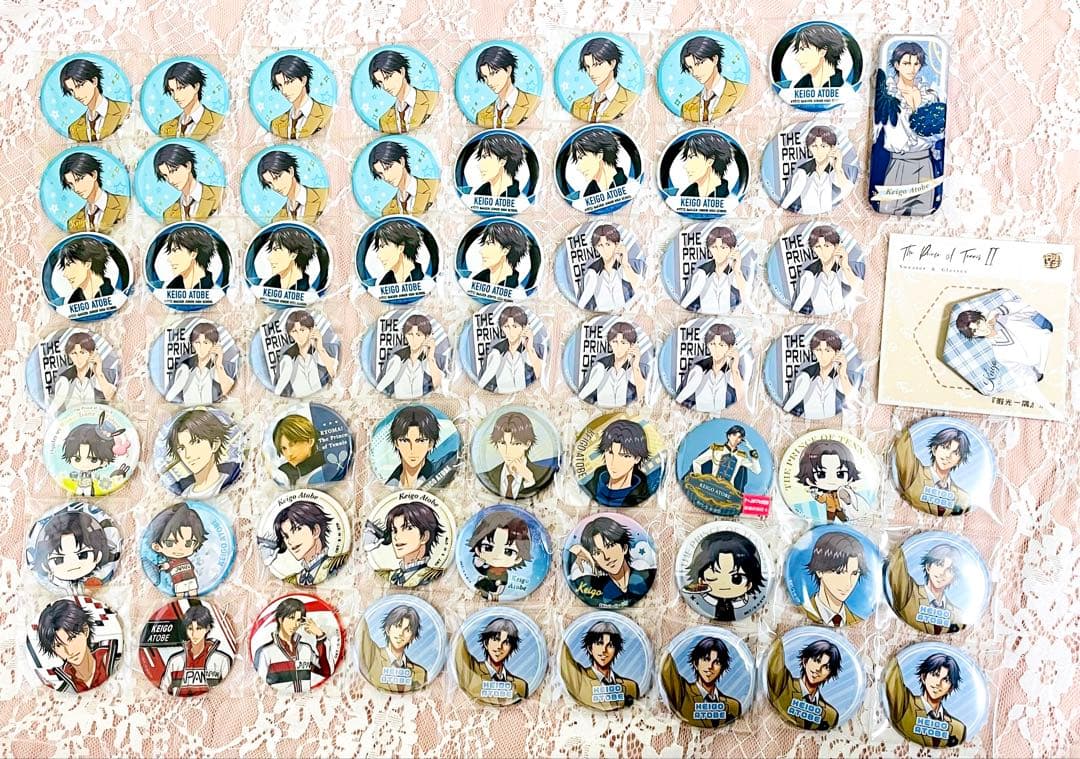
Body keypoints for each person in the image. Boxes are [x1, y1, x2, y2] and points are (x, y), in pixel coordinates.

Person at [872, 42, 945, 215]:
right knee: (888, 208)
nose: (912, 69)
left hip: (925, 162)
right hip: (899, 162)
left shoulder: (930, 95)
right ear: (897, 65)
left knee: (924, 205)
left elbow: (938, 129)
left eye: (916, 63)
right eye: (906, 63)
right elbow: (877, 131)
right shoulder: (888, 95)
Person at [955, 301, 1053, 387]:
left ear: (982, 318)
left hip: (1054, 341)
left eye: (978, 323)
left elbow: (1031, 307)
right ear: (974, 336)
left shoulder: (1006, 317)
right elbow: (1027, 374)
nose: (982, 329)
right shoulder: (1000, 354)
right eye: (975, 330)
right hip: (1049, 366)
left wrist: (996, 312)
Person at [566, 516, 655, 607]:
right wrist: (576, 549)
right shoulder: (595, 584)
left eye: (610, 546)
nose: (606, 557)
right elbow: (572, 580)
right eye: (597, 553)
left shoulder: (647, 576)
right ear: (594, 559)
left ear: (624, 548)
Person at [884, 653, 967, 747]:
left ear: (950, 688)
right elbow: (892, 673)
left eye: (946, 680)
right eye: (935, 675)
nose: (938, 683)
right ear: (923, 677)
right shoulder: (905, 706)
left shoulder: (958, 729)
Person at [36, 598, 119, 692]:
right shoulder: (58, 681)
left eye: (72, 638)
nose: (69, 651)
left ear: (85, 630)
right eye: (59, 645)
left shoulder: (111, 658)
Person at [682, 530, 766, 622]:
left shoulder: (741, 602)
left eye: (736, 578)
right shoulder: (705, 600)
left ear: (749, 584)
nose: (724, 584)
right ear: (701, 581)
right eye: (713, 578)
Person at [252, 597, 333, 692]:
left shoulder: (306, 649)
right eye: (291, 618)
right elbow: (260, 687)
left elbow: (326, 672)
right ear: (280, 619)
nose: (295, 624)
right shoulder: (266, 652)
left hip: (307, 699)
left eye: (298, 620)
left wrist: (319, 634)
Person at [660, 637, 742, 727]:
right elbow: (666, 665)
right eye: (706, 659)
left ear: (722, 669)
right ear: (695, 663)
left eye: (716, 662)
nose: (710, 666)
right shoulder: (682, 693)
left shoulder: (734, 706)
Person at [365, 499, 447, 587]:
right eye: (394, 530)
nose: (396, 537)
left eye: (408, 528)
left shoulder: (432, 575)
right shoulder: (386, 575)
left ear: (424, 536)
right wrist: (366, 548)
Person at [264, 499, 348, 585]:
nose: (290, 541)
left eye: (297, 530)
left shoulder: (338, 564)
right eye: (286, 536)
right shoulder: (292, 580)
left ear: (315, 531)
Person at [893, 425, 971, 516]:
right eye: (945, 447)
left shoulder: (963, 498)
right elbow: (903, 443)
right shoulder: (915, 473)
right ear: (934, 449)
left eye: (955, 453)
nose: (948, 456)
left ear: (959, 461)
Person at [560, 621, 639, 710]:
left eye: (610, 645)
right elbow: (562, 654)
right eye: (599, 643)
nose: (604, 650)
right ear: (590, 648)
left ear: (616, 651)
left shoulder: (631, 686)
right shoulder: (580, 679)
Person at [887, 543, 965, 634]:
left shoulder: (958, 615)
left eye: (949, 570)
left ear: (953, 578)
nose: (942, 573)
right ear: (928, 567)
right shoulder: (909, 594)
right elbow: (897, 562)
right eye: (940, 564)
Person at [164, 408, 240, 499]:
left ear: (215, 444)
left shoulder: (234, 484)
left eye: (195, 442)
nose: (188, 455)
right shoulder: (183, 494)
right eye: (181, 448)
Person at [766, 639, 842, 730]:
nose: (818, 669)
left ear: (829, 676)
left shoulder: (831, 716)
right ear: (805, 661)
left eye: (826, 667)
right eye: (816, 660)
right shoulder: (784, 685)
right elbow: (775, 656)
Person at [31, 508, 116, 589]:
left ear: (99, 555)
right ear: (45, 565)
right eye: (58, 560)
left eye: (82, 555)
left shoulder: (102, 574)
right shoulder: (54, 584)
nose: (71, 562)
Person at [779, 126, 856, 214]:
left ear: (832, 147)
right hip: (805, 217)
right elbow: (790, 198)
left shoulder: (835, 171)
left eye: (823, 146)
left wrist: (838, 168)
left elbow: (848, 191)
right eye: (814, 146)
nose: (819, 150)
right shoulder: (803, 172)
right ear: (809, 148)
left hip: (831, 217)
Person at [686, 425, 761, 514]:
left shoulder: (741, 456)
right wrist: (700, 479)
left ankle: (760, 507)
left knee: (757, 507)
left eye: (739, 437)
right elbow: (697, 462)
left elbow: (757, 470)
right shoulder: (716, 449)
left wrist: (751, 448)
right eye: (734, 435)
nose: (736, 439)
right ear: (728, 436)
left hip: (728, 494)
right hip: (711, 488)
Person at [782, 329, 856, 419]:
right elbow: (787, 408)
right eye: (818, 350)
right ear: (813, 351)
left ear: (837, 352)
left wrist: (842, 373)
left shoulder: (839, 376)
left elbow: (853, 399)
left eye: (828, 350)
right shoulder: (806, 376)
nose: (823, 355)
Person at [159, 604, 232, 696]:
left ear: (207, 628)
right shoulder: (175, 661)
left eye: (198, 628)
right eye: (190, 629)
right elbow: (162, 692)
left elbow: (227, 693)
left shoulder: (222, 660)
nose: (194, 634)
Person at [790, 226, 863, 315]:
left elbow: (860, 290)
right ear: (813, 249)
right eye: (818, 247)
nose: (823, 251)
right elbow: (795, 308)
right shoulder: (809, 275)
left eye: (826, 245)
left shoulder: (844, 269)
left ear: (836, 246)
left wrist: (845, 266)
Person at [479, 411, 552, 499]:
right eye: (502, 443)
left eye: (515, 444)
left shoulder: (542, 474)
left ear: (527, 444)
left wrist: (530, 481)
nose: (508, 451)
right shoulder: (487, 476)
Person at [582, 419, 653, 507]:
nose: (614, 462)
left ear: (637, 458)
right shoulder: (588, 488)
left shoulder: (642, 498)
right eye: (610, 452)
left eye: (624, 455)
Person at [456, 618, 529, 703]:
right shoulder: (472, 670)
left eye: (506, 642)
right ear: (486, 643)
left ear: (511, 649)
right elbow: (459, 649)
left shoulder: (521, 686)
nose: (499, 646)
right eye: (496, 639)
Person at [802, 531, 867, 626]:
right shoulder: (798, 613)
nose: (848, 584)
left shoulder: (858, 622)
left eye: (854, 573)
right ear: (819, 571)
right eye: (839, 572)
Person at [675, 322, 744, 412]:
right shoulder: (699, 370)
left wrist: (734, 369)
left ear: (730, 347)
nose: (716, 349)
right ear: (708, 345)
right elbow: (679, 400)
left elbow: (742, 401)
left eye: (721, 345)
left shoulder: (731, 373)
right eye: (712, 344)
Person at [794, 439, 868, 522]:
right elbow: (821, 500)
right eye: (821, 474)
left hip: (839, 509)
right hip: (830, 510)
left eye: (840, 474)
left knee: (842, 517)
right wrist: (814, 494)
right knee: (830, 519)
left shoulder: (840, 492)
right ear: (808, 479)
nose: (832, 479)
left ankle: (844, 520)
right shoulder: (826, 495)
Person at [358, 604, 427, 692]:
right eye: (398, 626)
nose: (401, 633)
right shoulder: (373, 655)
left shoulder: (420, 673)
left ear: (412, 637)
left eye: (407, 630)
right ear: (388, 629)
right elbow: (361, 627)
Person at [476, 306, 544, 393]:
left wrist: (530, 349)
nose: (511, 331)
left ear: (524, 327)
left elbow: (542, 377)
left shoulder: (534, 349)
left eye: (515, 326)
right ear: (502, 328)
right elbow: (482, 384)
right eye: (507, 326)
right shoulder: (496, 353)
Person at [577, 322, 647, 407]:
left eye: (623, 342)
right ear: (610, 343)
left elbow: (644, 400)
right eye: (615, 341)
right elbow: (582, 398)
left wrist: (635, 367)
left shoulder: (641, 369)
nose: (618, 347)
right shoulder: (599, 367)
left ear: (632, 345)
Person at [47, 332, 117, 415]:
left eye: (82, 352)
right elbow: (52, 409)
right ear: (69, 355)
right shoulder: (64, 380)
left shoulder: (97, 376)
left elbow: (112, 398)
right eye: (74, 353)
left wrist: (99, 374)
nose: (78, 357)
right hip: (72, 421)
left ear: (91, 353)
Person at [679, 226, 747, 313]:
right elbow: (686, 302)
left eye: (723, 247)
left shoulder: (733, 273)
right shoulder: (702, 273)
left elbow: (746, 297)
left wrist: (737, 271)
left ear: (732, 249)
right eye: (714, 247)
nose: (718, 252)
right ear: (709, 249)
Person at [467, 511, 532, 600]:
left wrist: (498, 592)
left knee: (494, 587)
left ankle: (490, 593)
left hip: (496, 587)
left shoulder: (503, 574)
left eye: (508, 551)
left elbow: (502, 582)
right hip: (487, 584)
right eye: (488, 547)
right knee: (483, 583)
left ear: (518, 558)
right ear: (477, 550)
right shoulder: (487, 568)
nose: (497, 555)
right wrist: (478, 564)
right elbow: (483, 571)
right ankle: (485, 592)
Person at [678, 36, 746, 122]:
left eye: (698, 63)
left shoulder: (740, 90)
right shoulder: (687, 108)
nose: (694, 73)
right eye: (690, 68)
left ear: (714, 59)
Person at [146, 502, 207, 597]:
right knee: (180, 594)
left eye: (188, 543)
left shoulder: (186, 561)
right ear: (157, 547)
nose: (180, 549)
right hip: (179, 582)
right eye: (170, 543)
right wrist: (158, 568)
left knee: (193, 591)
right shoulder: (171, 563)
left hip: (191, 580)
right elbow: (165, 566)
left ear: (195, 545)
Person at [59, 58, 129, 141]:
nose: (76, 95)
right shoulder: (73, 129)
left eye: (79, 86)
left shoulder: (125, 109)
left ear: (94, 81)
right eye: (71, 90)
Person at [165, 322, 235, 404]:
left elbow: (229, 391)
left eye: (206, 343)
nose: (201, 347)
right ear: (192, 344)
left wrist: (218, 365)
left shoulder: (224, 367)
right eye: (197, 342)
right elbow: (169, 397)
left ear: (214, 344)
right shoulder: (184, 367)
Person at [376, 314, 444, 399]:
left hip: (422, 404)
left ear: (427, 336)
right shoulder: (398, 358)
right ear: (405, 335)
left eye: (418, 335)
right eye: (410, 334)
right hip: (398, 404)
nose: (414, 339)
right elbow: (382, 386)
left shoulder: (428, 360)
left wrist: (430, 357)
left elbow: (439, 387)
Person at [576, 224, 641, 311]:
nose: (604, 249)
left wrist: (625, 264)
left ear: (617, 244)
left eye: (608, 244)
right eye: (600, 245)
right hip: (602, 314)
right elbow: (581, 303)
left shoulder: (621, 267)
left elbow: (639, 286)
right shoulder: (593, 272)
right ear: (595, 248)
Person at [369, 49, 437, 133]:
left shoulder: (432, 98)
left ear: (402, 71)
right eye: (380, 82)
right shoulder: (384, 120)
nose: (385, 86)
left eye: (387, 77)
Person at [571, 37, 637, 122]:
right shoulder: (577, 105)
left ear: (612, 63)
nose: (591, 73)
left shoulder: (631, 99)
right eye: (587, 67)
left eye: (597, 65)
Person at [59, 152, 128, 233]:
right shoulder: (72, 222)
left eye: (79, 179)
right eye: (71, 184)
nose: (76, 188)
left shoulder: (124, 203)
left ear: (94, 175)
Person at [274, 310, 338, 397]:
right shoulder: (288, 359)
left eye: (302, 330)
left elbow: (334, 373)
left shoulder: (317, 353)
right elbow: (278, 390)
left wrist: (320, 348)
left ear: (311, 329)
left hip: (322, 398)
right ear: (290, 334)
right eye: (294, 331)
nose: (299, 335)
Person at [61, 411, 125, 497]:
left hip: (89, 486)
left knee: (88, 490)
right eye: (77, 459)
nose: (84, 464)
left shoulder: (95, 477)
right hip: (79, 485)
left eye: (93, 459)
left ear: (104, 461)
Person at [154, 143, 223, 222]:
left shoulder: (220, 194)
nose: (170, 180)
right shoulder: (168, 214)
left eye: (173, 171)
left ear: (188, 166)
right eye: (165, 175)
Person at [474, 46, 539, 128]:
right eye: (485, 77)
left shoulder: (533, 102)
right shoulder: (481, 115)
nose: (489, 82)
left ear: (508, 70)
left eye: (493, 73)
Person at [268, 54, 331, 139]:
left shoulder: (327, 113)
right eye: (280, 85)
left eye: (288, 82)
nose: (284, 91)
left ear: (303, 80)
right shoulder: (275, 124)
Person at [157, 60, 224, 139]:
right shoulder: (165, 128)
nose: (176, 96)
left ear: (196, 86)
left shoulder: (219, 121)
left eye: (181, 88)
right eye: (172, 90)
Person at [369, 141, 438, 216]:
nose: (385, 177)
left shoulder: (433, 186)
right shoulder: (387, 212)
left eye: (387, 168)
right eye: (380, 174)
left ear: (401, 161)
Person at [258, 150, 327, 224]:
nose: (275, 187)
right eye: (270, 183)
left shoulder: (323, 195)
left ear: (291, 171)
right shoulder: (276, 220)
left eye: (277, 177)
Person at [385, 405, 446, 489]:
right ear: (396, 443)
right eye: (405, 441)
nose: (412, 449)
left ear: (430, 444)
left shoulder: (439, 476)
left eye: (420, 441)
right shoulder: (390, 483)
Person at [471, 221, 531, 289]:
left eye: (489, 244)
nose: (481, 251)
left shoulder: (517, 288)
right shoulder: (477, 279)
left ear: (506, 250)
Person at [273, 414, 329, 486]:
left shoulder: (326, 466)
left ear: (310, 441)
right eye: (284, 448)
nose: (289, 453)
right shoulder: (283, 474)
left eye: (292, 445)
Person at [569, 129, 626, 196]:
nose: (578, 168)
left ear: (599, 155)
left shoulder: (628, 184)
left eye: (581, 157)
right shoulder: (588, 194)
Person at [58, 237, 115, 304]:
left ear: (87, 264)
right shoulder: (71, 302)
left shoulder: (115, 295)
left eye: (69, 265)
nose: (65, 274)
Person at [261, 226, 317, 293]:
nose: (269, 258)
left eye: (276, 250)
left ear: (294, 254)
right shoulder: (267, 286)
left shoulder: (311, 289)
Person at [678, 131, 733, 198]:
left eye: (692, 157)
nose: (685, 166)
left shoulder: (729, 197)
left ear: (710, 161)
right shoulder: (686, 195)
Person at [791, 25, 848, 89]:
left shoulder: (845, 88)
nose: (797, 58)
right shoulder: (799, 87)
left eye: (803, 49)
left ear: (823, 51)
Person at [162, 224, 217, 291]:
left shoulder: (215, 289)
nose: (169, 259)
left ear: (193, 254)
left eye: (175, 251)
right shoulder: (170, 289)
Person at [471, 132, 524, 198]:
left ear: (503, 161)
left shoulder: (521, 197)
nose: (479, 165)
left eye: (485, 157)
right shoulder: (479, 194)